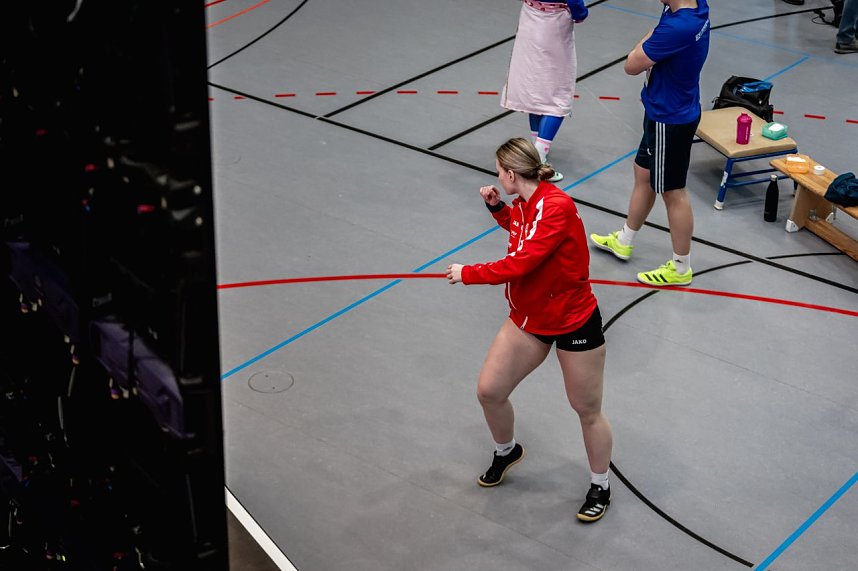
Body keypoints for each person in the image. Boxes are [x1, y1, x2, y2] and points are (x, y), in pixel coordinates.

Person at [446, 138, 614, 523]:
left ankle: (600, 485)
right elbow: (520, 229)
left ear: (510, 173)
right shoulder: (524, 203)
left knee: (586, 409)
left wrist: (467, 273)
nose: (496, 176)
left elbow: (522, 261)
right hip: (530, 318)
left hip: (573, 320)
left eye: (498, 171)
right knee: (490, 391)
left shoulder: (555, 207)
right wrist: (496, 209)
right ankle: (507, 451)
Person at [589, 0, 709, 287]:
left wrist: (648, 40)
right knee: (643, 172)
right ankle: (625, 240)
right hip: (662, 109)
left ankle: (681, 269)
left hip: (670, 119)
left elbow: (631, 65)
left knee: (673, 192)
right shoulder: (694, 7)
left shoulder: (678, 26)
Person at [500, 0, 590, 183]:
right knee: (557, 96)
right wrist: (580, 13)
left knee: (536, 87)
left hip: (529, 20)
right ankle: (539, 159)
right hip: (554, 27)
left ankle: (536, 150)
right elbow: (577, 6)